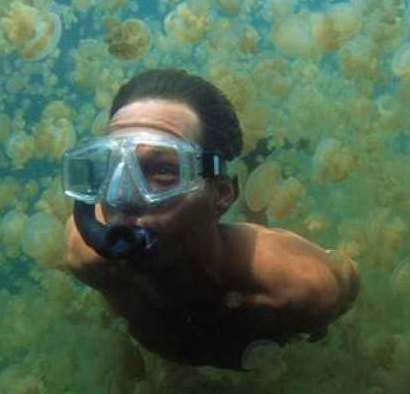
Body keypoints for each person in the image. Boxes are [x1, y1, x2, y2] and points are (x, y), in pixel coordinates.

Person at [61, 68, 359, 370]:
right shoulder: (86, 257)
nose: (120, 195)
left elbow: (346, 277)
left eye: (163, 170)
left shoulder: (302, 288)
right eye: (111, 167)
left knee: (257, 220)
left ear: (222, 194)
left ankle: (258, 163)